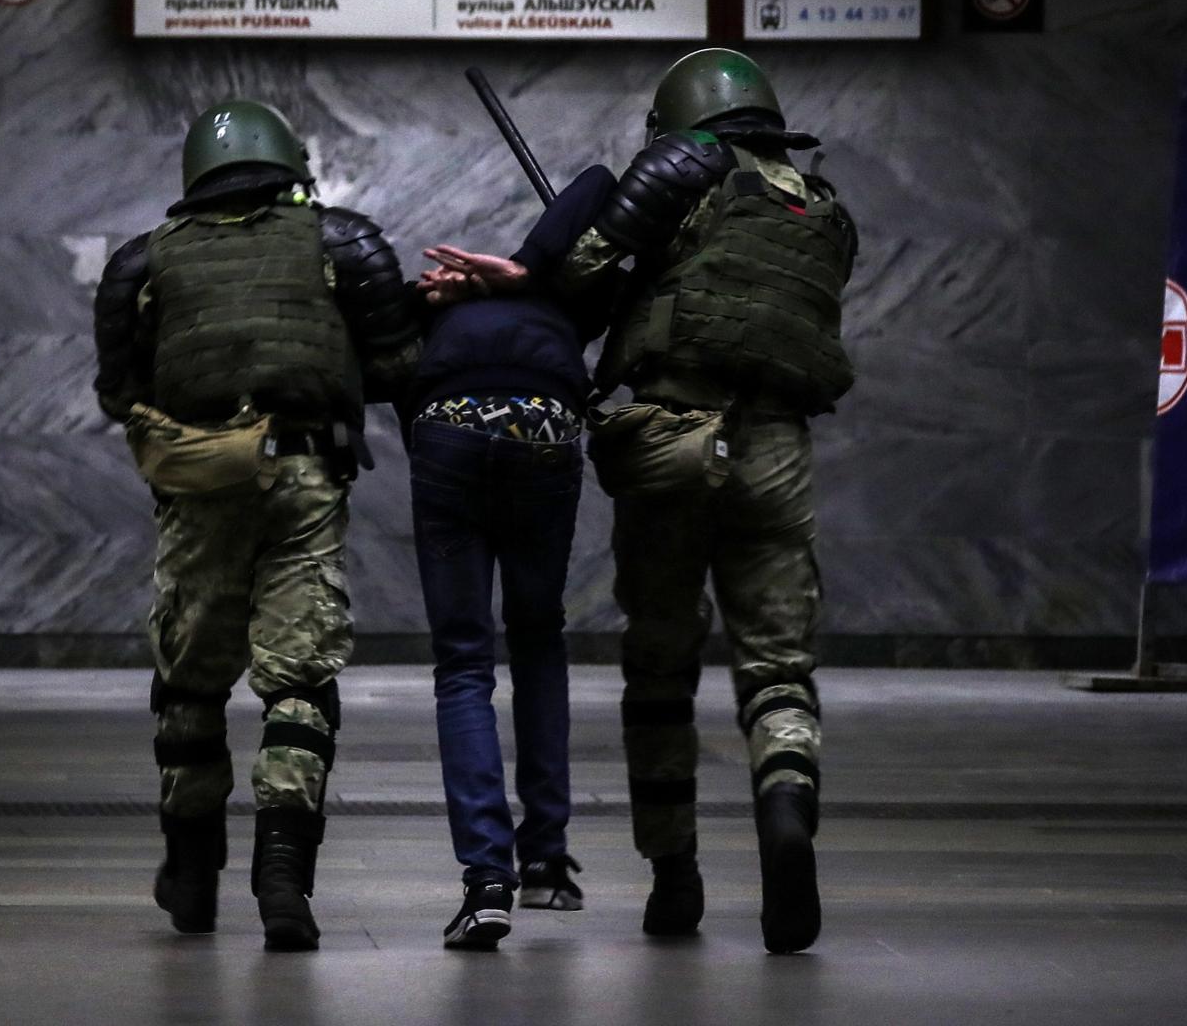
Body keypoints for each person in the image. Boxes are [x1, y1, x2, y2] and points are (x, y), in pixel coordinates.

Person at [421, 48, 857, 954]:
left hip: (672, 438)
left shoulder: (677, 164)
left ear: (678, 119)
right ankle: (784, 798)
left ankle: (676, 876)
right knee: (778, 665)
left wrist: (536, 274)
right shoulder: (819, 210)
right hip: (776, 445)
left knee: (661, 666)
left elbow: (581, 271)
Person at [91, 99, 420, 951]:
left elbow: (116, 390)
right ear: (290, 166)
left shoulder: (140, 262)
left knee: (191, 680)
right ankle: (284, 874)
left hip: (201, 482)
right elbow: (398, 362)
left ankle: (190, 869)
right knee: (299, 675)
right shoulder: (342, 240)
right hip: (305, 472)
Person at [406, 167, 615, 949]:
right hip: (545, 427)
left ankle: (486, 879)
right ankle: (549, 864)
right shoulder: (576, 304)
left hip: (450, 427)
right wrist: (529, 269)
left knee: (463, 663)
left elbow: (594, 182)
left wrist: (501, 275)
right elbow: (597, 182)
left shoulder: (446, 310)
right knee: (538, 642)